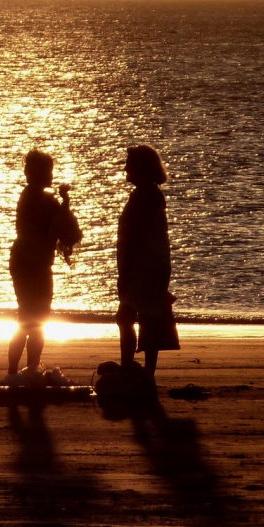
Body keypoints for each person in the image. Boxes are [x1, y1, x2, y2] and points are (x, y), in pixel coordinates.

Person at [7, 149, 82, 382]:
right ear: (36, 173)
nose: (51, 175)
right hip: (34, 265)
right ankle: (27, 370)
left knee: (27, 319)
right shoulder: (41, 200)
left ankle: (19, 370)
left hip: (23, 261)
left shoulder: (28, 196)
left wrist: (63, 204)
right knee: (36, 321)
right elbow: (66, 230)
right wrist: (65, 203)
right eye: (48, 171)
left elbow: (58, 227)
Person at [116, 145, 179, 389]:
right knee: (146, 316)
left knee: (128, 316)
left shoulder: (144, 197)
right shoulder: (149, 195)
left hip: (145, 265)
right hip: (154, 264)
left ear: (139, 169)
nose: (125, 169)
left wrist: (125, 273)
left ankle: (131, 369)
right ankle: (144, 372)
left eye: (129, 165)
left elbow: (133, 238)